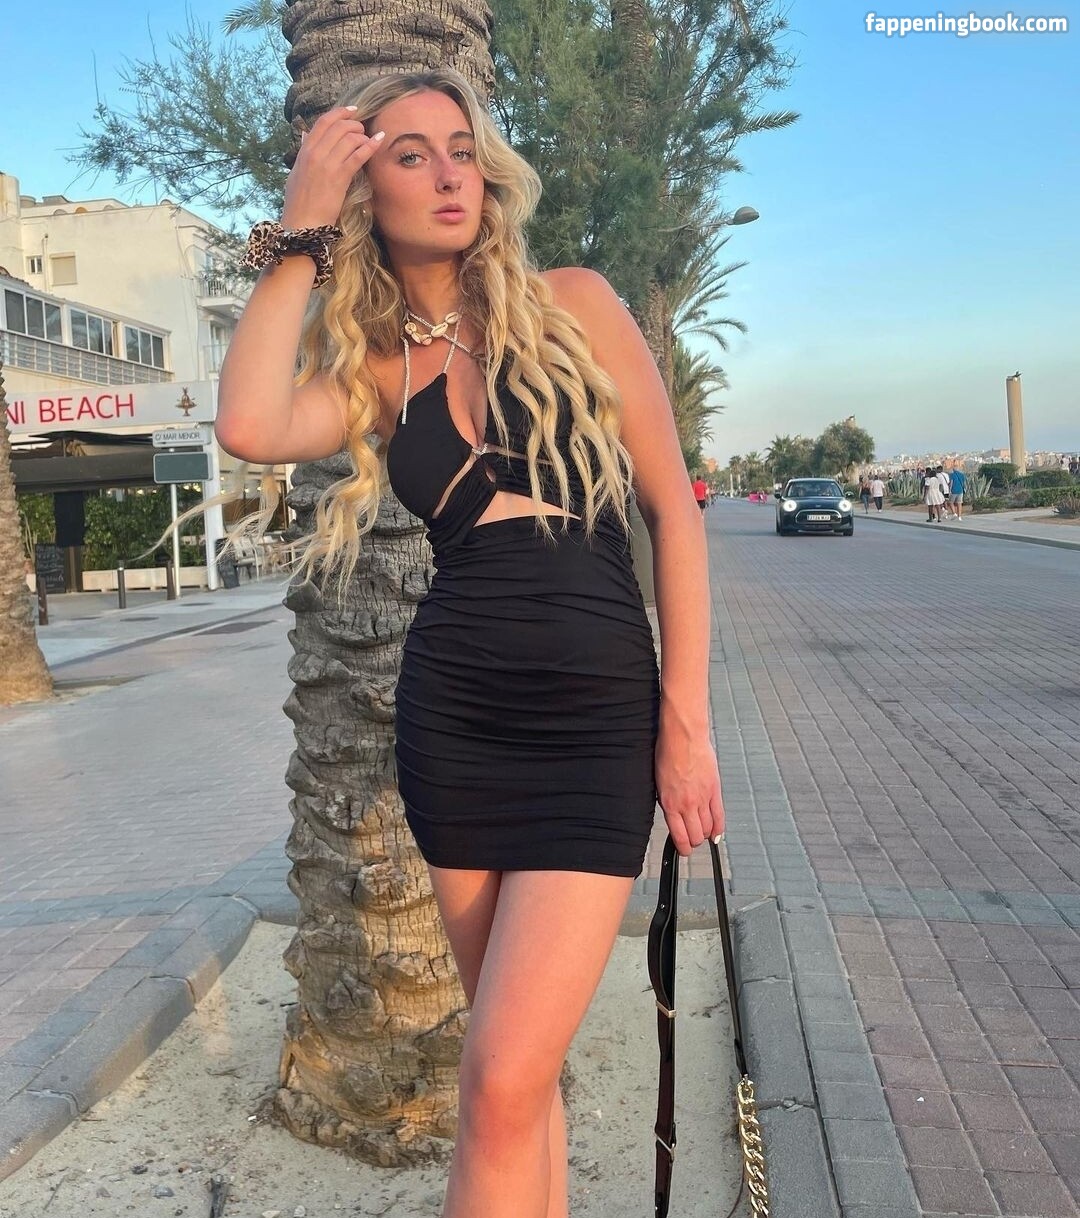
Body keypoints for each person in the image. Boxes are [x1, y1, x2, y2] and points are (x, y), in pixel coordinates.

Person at [214, 69, 723, 1218]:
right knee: (514, 1079)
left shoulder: (575, 305)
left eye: (462, 148)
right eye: (411, 154)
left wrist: (685, 722)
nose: (450, 174)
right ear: (368, 192)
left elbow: (673, 514)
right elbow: (247, 422)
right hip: (457, 728)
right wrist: (299, 230)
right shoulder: (378, 367)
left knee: (495, 1079)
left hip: (597, 727)